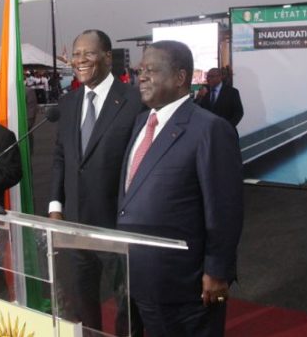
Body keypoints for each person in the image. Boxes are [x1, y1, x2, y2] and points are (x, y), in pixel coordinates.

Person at [117, 40, 243, 337]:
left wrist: (217, 270)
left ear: (180, 77)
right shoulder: (140, 123)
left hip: (184, 284)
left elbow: (224, 208)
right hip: (135, 274)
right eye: (139, 70)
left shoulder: (210, 129)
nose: (141, 77)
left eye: (151, 70)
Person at [49, 29, 144, 333]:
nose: (80, 60)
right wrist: (55, 205)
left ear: (106, 56)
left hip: (119, 223)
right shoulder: (68, 102)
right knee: (83, 300)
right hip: (76, 223)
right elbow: (61, 156)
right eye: (76, 54)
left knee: (128, 302)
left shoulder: (134, 99)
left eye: (88, 53)